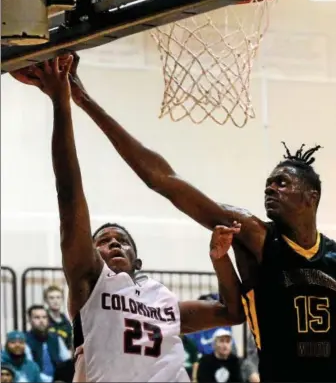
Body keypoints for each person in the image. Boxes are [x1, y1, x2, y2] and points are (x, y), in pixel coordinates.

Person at [44, 51, 336, 382]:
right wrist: (82, 100)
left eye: (282, 183)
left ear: (310, 197)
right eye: (268, 183)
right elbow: (163, 180)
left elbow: (228, 313)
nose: (270, 189)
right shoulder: (256, 236)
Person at [11, 58, 245, 382]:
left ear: (138, 260)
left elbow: (233, 312)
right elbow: (69, 196)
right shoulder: (91, 282)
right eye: (104, 241)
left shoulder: (163, 301)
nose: (114, 243)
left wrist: (219, 259)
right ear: (93, 255)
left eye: (122, 240)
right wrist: (60, 101)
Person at [25, 305, 71, 382]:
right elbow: (29, 369)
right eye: (37, 317)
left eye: (44, 317)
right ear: (29, 320)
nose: (41, 320)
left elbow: (67, 361)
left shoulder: (56, 337)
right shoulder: (25, 340)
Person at [44, 285, 73, 351]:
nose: (55, 301)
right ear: (46, 300)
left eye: (58, 297)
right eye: (51, 298)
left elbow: (70, 343)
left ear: (62, 299)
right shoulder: (42, 319)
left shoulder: (66, 322)